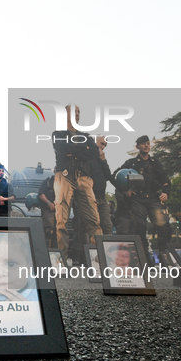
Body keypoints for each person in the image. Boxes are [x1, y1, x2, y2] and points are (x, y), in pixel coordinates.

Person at [52, 105, 102, 263]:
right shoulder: (58, 134)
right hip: (65, 176)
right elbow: (61, 149)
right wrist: (83, 149)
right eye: (74, 112)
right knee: (62, 220)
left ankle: (100, 260)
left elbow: (94, 152)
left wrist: (74, 151)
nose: (77, 115)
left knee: (94, 219)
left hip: (84, 178)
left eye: (79, 113)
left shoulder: (85, 135)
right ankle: (62, 259)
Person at [117, 135, 172, 264]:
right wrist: (126, 191)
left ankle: (164, 259)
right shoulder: (131, 163)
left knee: (164, 227)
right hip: (138, 199)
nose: (146, 145)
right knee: (140, 229)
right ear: (137, 147)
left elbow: (165, 180)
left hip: (153, 198)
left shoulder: (155, 163)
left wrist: (166, 193)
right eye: (143, 144)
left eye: (147, 143)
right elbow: (117, 177)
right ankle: (144, 260)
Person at [89, 136, 114, 235]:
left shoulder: (102, 159)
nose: (103, 147)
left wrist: (104, 161)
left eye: (105, 145)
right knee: (91, 225)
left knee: (107, 226)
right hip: (90, 196)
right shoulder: (88, 157)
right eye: (102, 144)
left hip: (102, 197)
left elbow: (108, 176)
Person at [38, 175, 57, 248]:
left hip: (61, 210)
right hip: (49, 210)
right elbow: (40, 194)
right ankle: (47, 252)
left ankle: (58, 253)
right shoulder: (47, 182)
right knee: (48, 231)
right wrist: (49, 203)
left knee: (59, 233)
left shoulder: (65, 183)